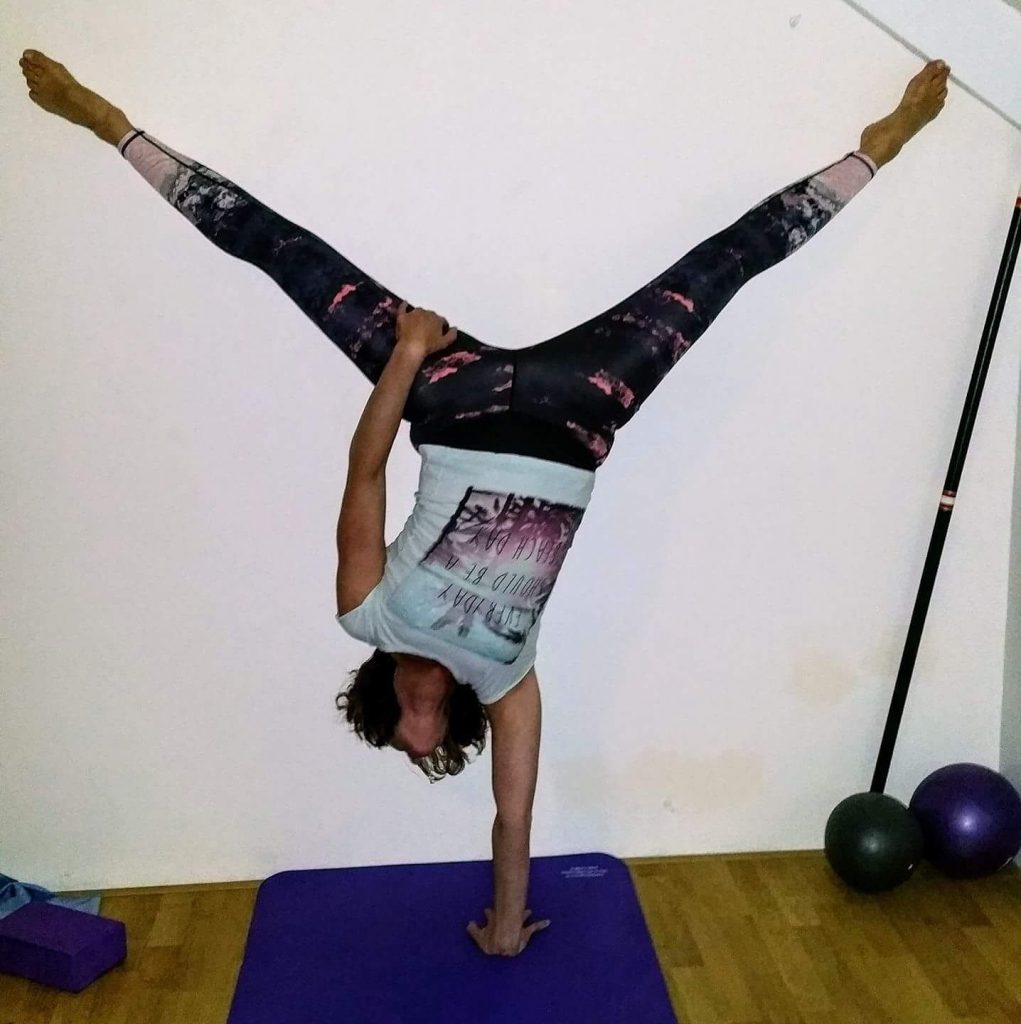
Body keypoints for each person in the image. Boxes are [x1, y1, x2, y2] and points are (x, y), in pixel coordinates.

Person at [19, 48, 949, 955]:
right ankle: (883, 145)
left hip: (446, 397)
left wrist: (409, 356)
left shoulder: (366, 613)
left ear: (382, 707)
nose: (418, 748)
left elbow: (367, 475)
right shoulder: (506, 682)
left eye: (399, 744)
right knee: (728, 265)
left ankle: (106, 123)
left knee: (284, 254)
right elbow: (513, 816)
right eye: (427, 754)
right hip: (584, 408)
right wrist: (506, 925)